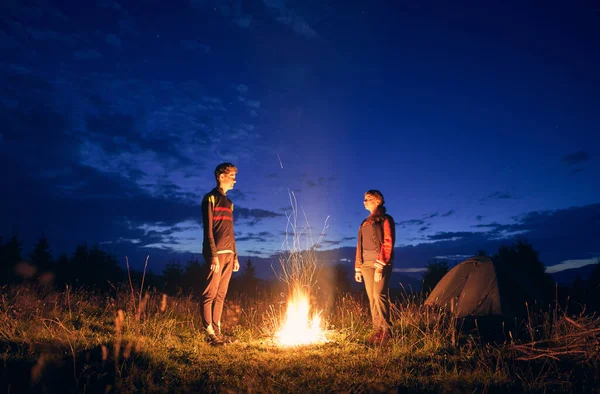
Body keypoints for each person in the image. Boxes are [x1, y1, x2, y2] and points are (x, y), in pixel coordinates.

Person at [201, 162, 240, 345]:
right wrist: (213, 254)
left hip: (229, 254)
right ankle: (209, 333)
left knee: (221, 294)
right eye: (232, 176)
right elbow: (208, 230)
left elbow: (230, 231)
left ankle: (218, 332)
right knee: (210, 293)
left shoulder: (230, 203)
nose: (234, 180)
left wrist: (236, 256)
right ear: (221, 176)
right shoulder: (210, 198)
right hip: (216, 254)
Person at [354, 190, 395, 343]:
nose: (364, 201)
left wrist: (380, 265)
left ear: (378, 200)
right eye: (364, 199)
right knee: (372, 298)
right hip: (365, 264)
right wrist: (358, 267)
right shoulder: (364, 222)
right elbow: (359, 246)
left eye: (368, 199)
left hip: (380, 263)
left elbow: (388, 241)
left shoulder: (385, 219)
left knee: (379, 295)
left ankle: (387, 331)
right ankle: (377, 330)